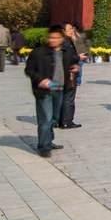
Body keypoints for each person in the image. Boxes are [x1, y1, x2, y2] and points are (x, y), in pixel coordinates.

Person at [25, 25, 79, 157]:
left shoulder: (66, 51)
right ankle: (44, 147)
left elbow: (74, 61)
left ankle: (48, 141)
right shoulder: (39, 52)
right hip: (44, 90)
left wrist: (75, 67)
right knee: (46, 118)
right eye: (51, 37)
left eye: (56, 38)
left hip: (59, 88)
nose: (53, 40)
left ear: (62, 38)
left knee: (54, 119)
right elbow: (29, 70)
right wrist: (40, 80)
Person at [59, 23, 89, 129]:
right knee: (69, 97)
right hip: (69, 73)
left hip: (63, 73)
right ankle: (67, 121)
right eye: (70, 29)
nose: (72, 30)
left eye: (72, 28)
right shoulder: (66, 43)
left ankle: (61, 120)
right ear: (63, 31)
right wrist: (78, 57)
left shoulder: (64, 41)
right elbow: (68, 58)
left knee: (64, 97)